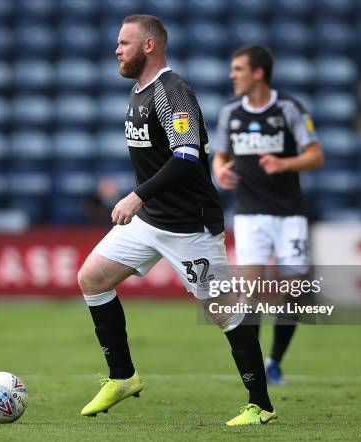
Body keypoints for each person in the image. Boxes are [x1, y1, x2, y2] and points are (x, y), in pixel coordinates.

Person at [77, 15, 276, 425]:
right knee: (92, 278)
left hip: (190, 225)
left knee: (224, 312)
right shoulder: (138, 92)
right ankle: (123, 376)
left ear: (149, 45)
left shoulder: (173, 91)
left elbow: (187, 156)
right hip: (151, 220)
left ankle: (261, 406)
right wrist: (144, 201)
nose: (117, 50)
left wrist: (137, 194)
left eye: (124, 42)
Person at [212, 45, 324, 384]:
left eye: (238, 69)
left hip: (289, 213)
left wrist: (284, 163)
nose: (232, 75)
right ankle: (256, 369)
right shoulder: (230, 112)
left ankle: (275, 359)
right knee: (252, 289)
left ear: (258, 73)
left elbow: (316, 156)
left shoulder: (288, 108)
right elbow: (219, 156)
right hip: (249, 214)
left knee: (295, 290)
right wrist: (220, 171)